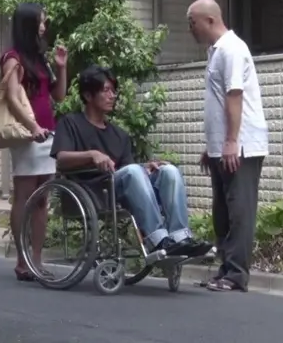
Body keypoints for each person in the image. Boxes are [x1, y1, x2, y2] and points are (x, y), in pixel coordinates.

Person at [50, 65, 212, 257]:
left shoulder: (120, 135)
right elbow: (62, 160)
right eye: (106, 90)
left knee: (169, 171)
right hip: (91, 190)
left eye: (113, 91)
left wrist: (146, 167)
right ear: (88, 95)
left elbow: (129, 170)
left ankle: (180, 238)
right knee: (134, 171)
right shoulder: (70, 123)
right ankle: (157, 240)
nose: (112, 96)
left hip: (118, 192)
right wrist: (92, 155)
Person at [187, 0, 268, 292]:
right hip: (225, 147)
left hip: (241, 147)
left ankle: (236, 275)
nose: (190, 29)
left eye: (192, 22)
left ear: (210, 20)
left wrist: (232, 141)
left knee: (239, 212)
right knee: (222, 213)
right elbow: (219, 101)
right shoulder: (216, 51)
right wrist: (213, 146)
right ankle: (225, 270)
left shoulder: (232, 49)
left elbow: (235, 95)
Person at [0, 2, 68, 282]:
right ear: (27, 24)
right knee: (24, 196)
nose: (43, 26)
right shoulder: (12, 58)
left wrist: (61, 67)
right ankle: (22, 261)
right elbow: (11, 98)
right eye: (40, 21)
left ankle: (36, 260)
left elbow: (59, 96)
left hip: (47, 133)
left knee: (42, 200)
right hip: (27, 135)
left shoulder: (40, 59)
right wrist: (33, 127)